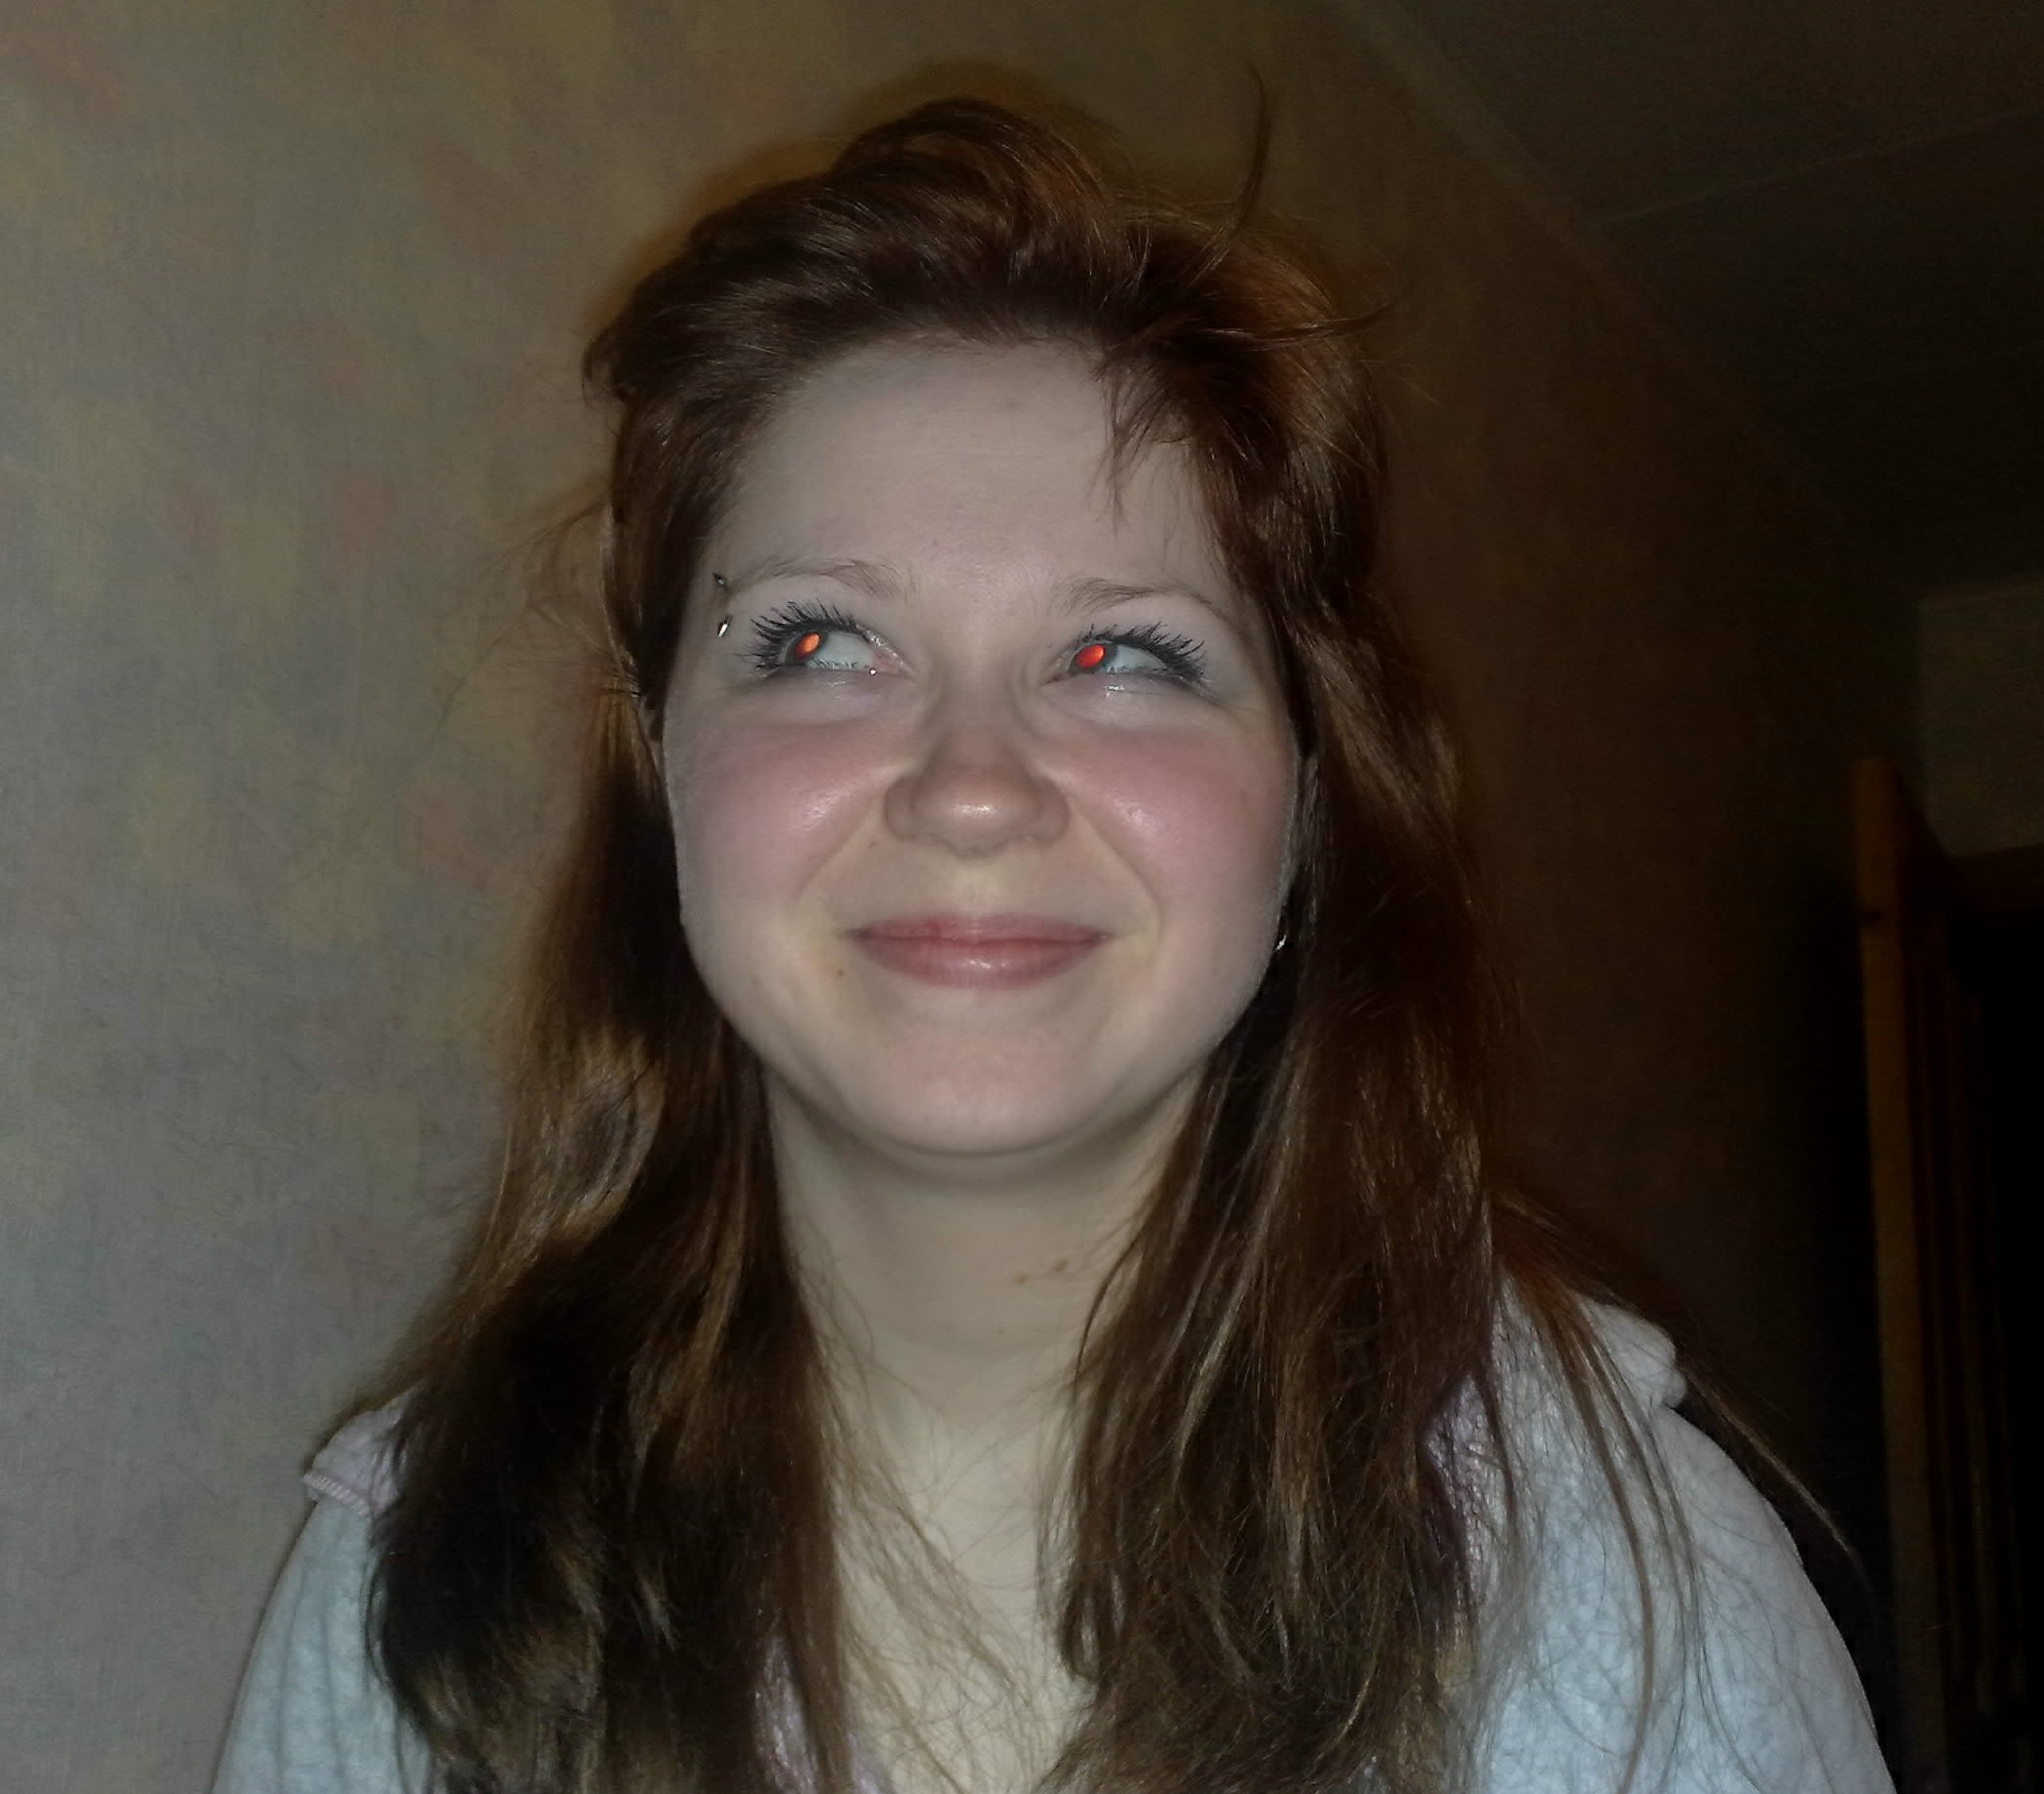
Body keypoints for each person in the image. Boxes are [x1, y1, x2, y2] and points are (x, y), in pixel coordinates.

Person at [211, 98, 1892, 1794]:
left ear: (1308, 800)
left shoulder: (1637, 1603)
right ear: (665, 773)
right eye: (819, 641)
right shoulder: (413, 1586)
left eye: (1125, 656)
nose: (971, 786)